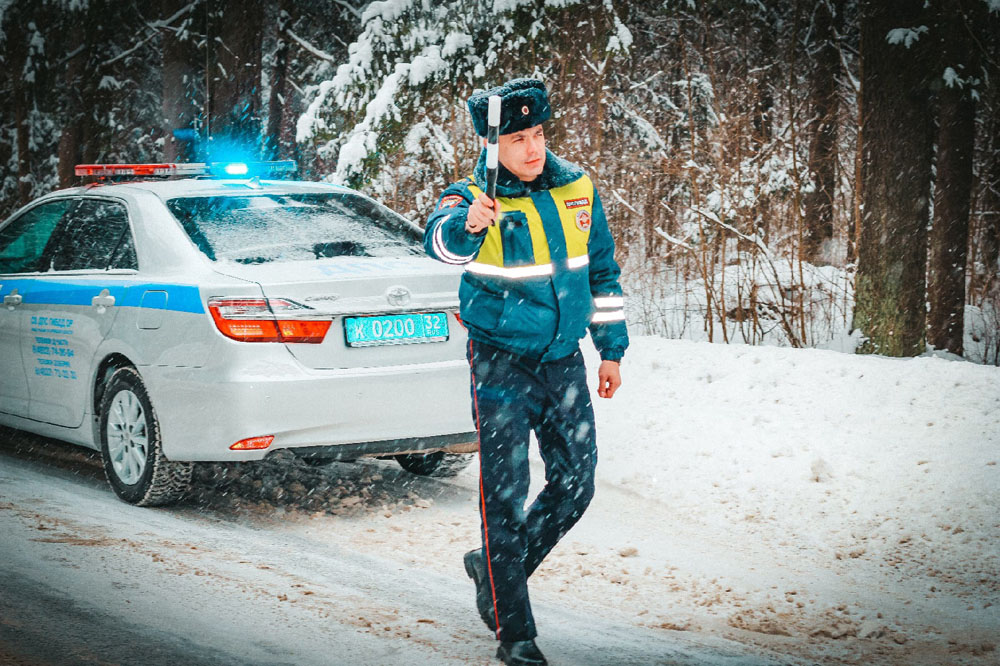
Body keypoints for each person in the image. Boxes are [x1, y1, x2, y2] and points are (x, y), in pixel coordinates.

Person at [424, 78, 628, 666]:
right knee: (504, 495)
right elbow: (438, 241)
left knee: (576, 483)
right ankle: (515, 634)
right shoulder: (470, 198)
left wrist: (610, 349)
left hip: (562, 360)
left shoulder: (577, 189)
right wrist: (468, 225)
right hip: (499, 363)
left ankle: (491, 570)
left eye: (537, 133)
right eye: (516, 138)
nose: (532, 148)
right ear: (494, 147)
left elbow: (602, 273)